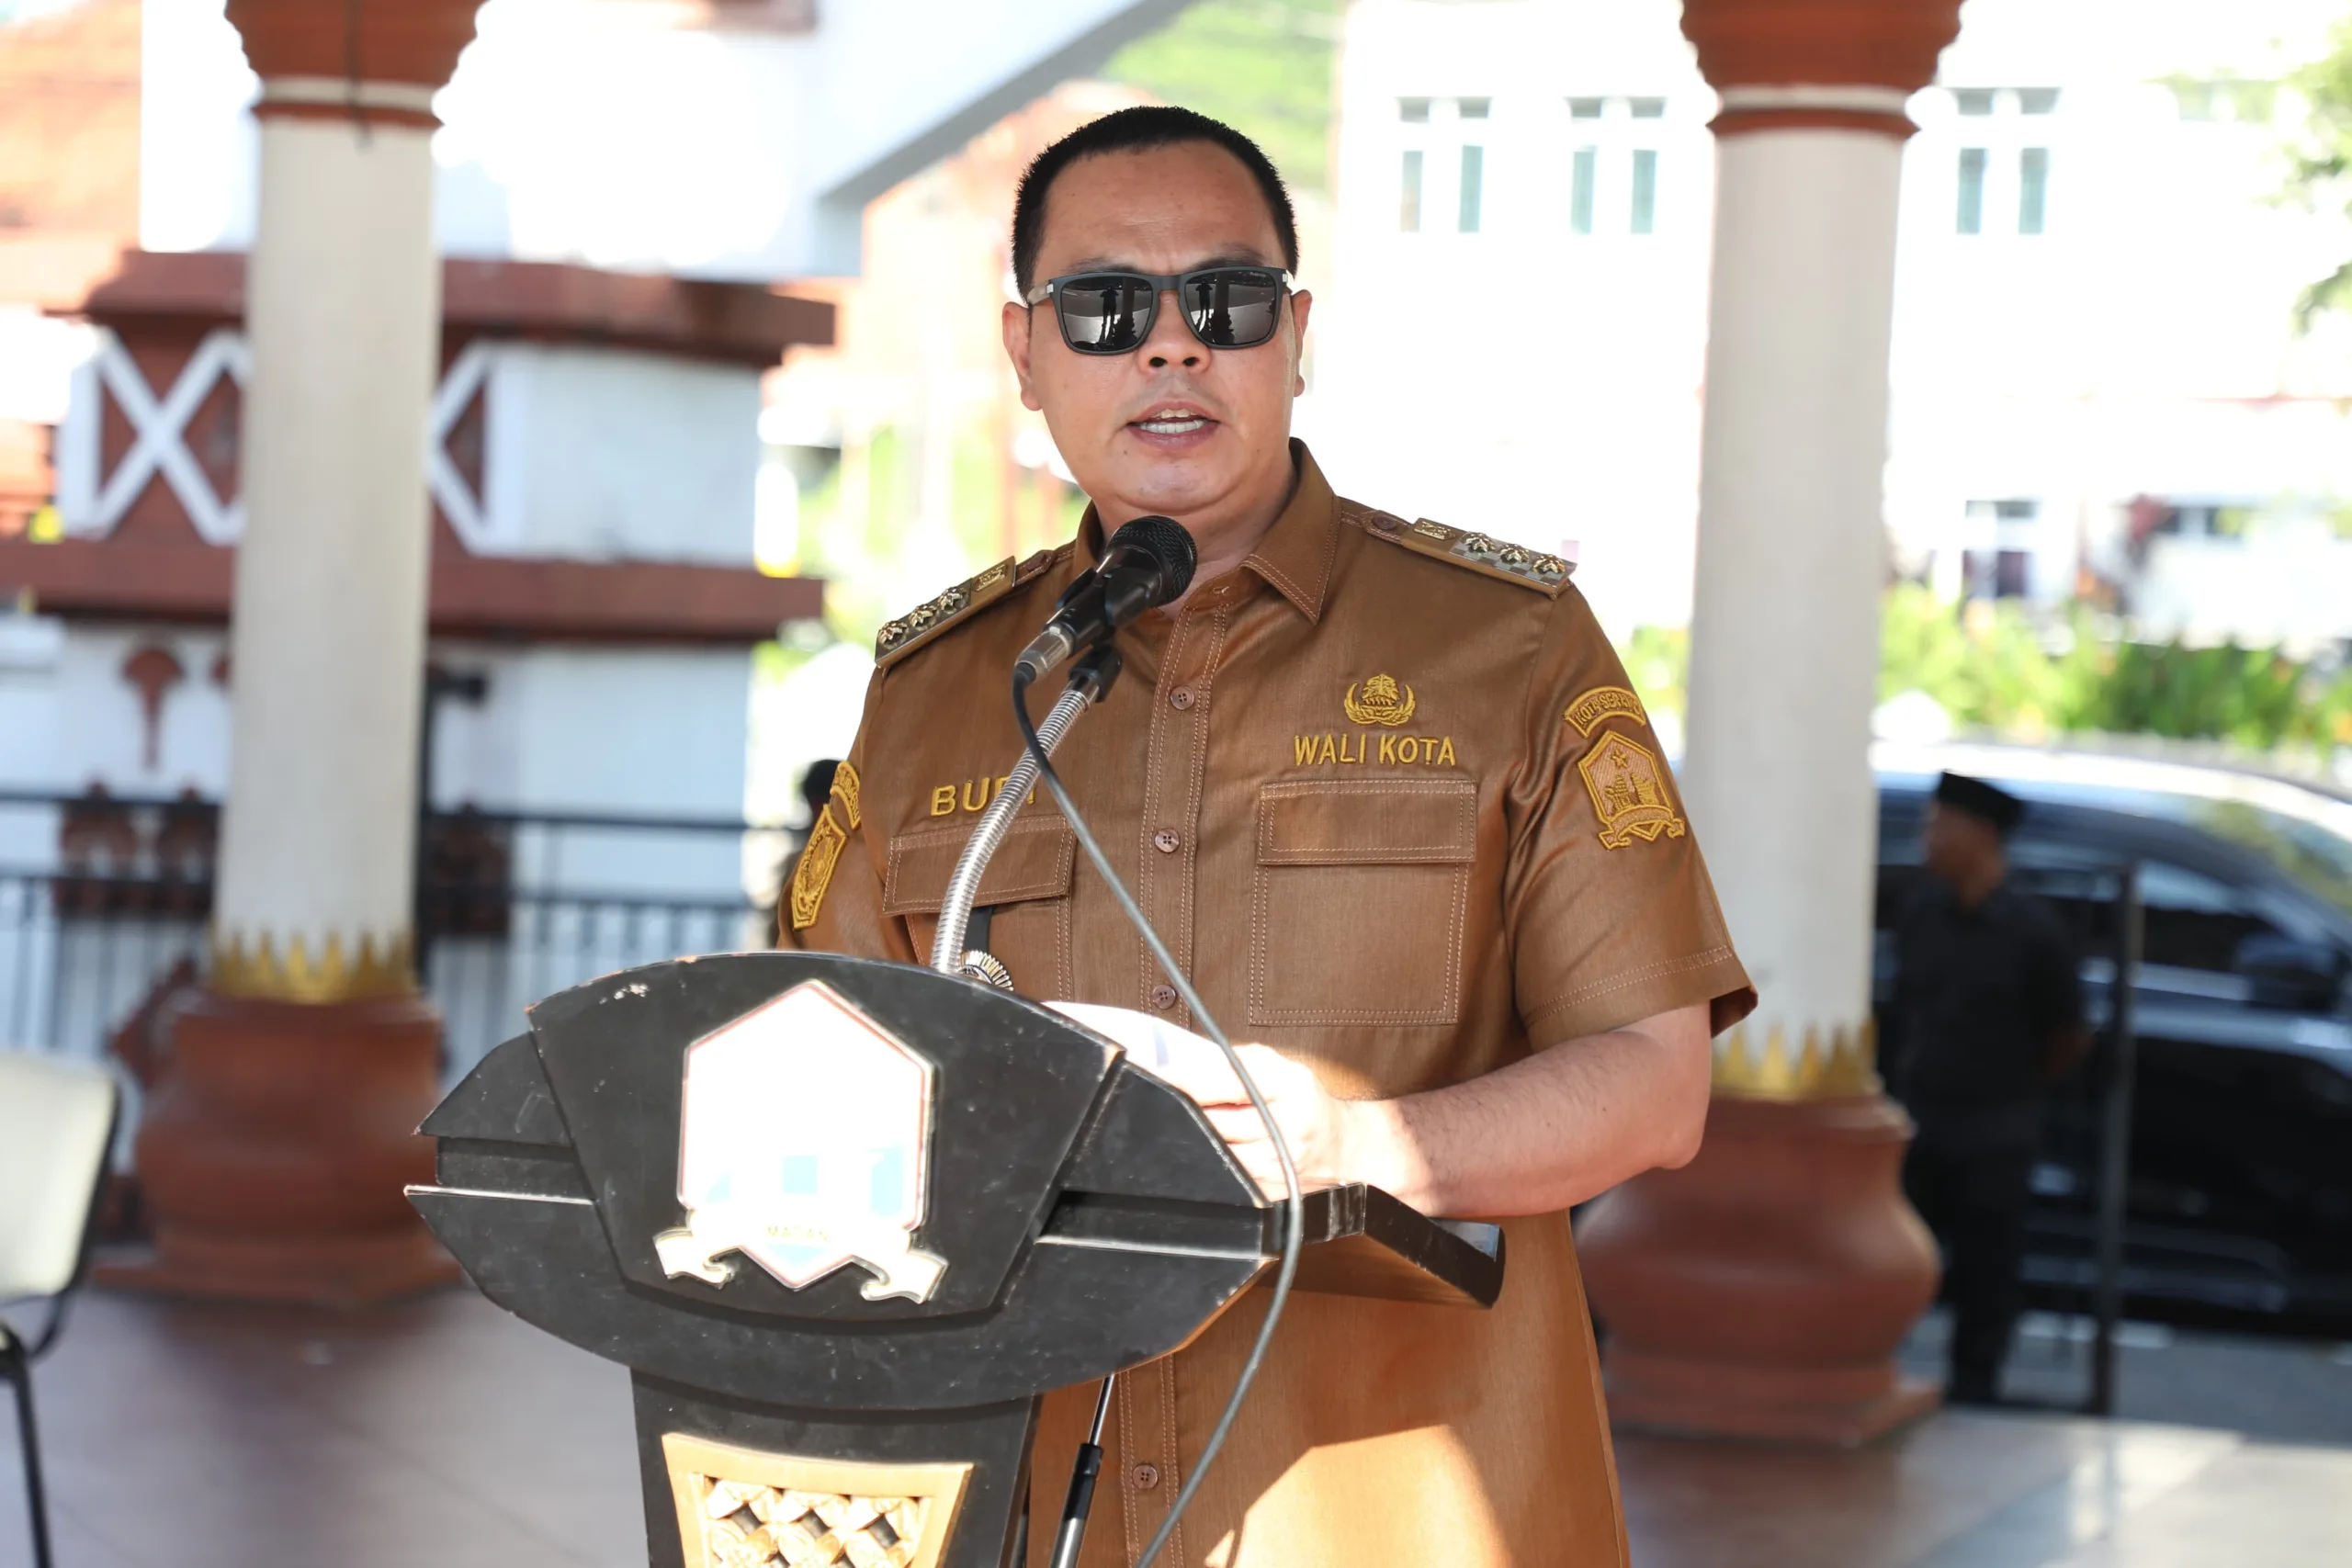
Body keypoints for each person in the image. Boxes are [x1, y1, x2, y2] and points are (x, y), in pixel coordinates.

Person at [783, 106, 1755, 1568]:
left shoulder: (1510, 648)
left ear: (1295, 335)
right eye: (1105, 308)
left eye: (1224, 300)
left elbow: (1652, 1083)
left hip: (1405, 1515)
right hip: (1025, 1507)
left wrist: (1356, 1147)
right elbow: (816, 1079)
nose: (1170, 348)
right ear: (1026, 351)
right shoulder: (941, 691)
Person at [1885, 771, 2090, 1405]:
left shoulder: (2032, 929)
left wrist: (2018, 1091)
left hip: (1995, 1124)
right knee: (1898, 1250)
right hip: (1922, 1113)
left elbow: (2066, 1033)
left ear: (1980, 833)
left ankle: (1976, 1383)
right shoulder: (1922, 912)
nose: (1928, 839)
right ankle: (1879, 1366)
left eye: (1940, 826)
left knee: (1988, 1262)